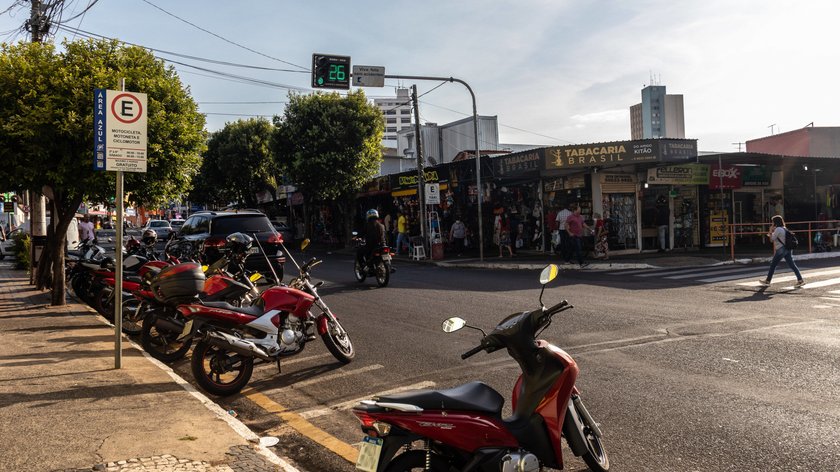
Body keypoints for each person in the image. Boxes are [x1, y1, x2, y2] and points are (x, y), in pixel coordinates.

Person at [759, 215, 805, 287]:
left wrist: (770, 231)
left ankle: (768, 281)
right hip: (788, 249)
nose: (772, 223)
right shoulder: (784, 228)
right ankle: (800, 280)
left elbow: (772, 240)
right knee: (792, 265)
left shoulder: (777, 229)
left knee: (773, 265)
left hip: (781, 249)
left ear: (775, 222)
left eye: (773, 222)